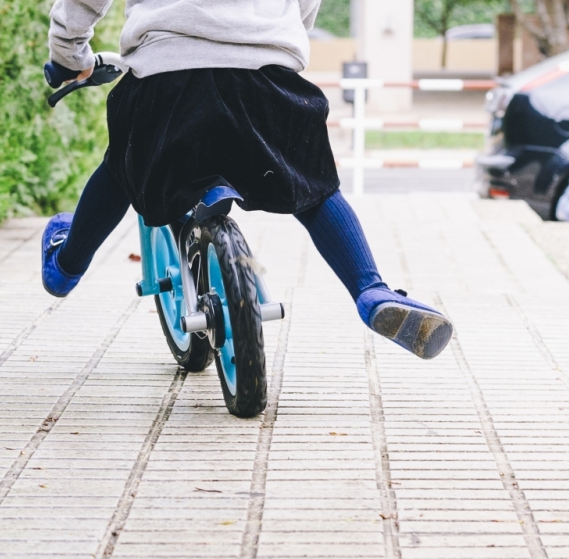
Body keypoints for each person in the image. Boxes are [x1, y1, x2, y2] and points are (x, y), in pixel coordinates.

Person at [41, 0, 453, 360]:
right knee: (315, 190)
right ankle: (370, 290)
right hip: (266, 76)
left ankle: (65, 266)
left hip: (166, 74)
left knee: (122, 169)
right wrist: (277, 37)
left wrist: (68, 55)